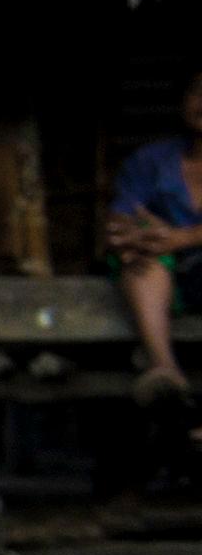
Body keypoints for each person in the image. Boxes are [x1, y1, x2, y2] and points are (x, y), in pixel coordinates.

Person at [109, 63, 202, 401]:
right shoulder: (151, 161)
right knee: (139, 257)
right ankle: (165, 370)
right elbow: (122, 217)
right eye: (196, 90)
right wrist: (134, 235)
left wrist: (185, 237)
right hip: (171, 281)